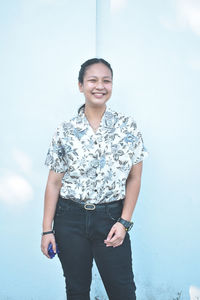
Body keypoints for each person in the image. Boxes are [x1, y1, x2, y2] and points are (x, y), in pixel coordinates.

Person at [41, 58, 148, 300]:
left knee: (123, 292)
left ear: (112, 85)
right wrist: (47, 230)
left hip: (110, 219)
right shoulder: (65, 130)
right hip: (69, 220)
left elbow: (134, 178)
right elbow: (54, 182)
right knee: (77, 290)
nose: (100, 86)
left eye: (106, 80)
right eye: (92, 80)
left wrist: (124, 222)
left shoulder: (127, 126)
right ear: (80, 86)